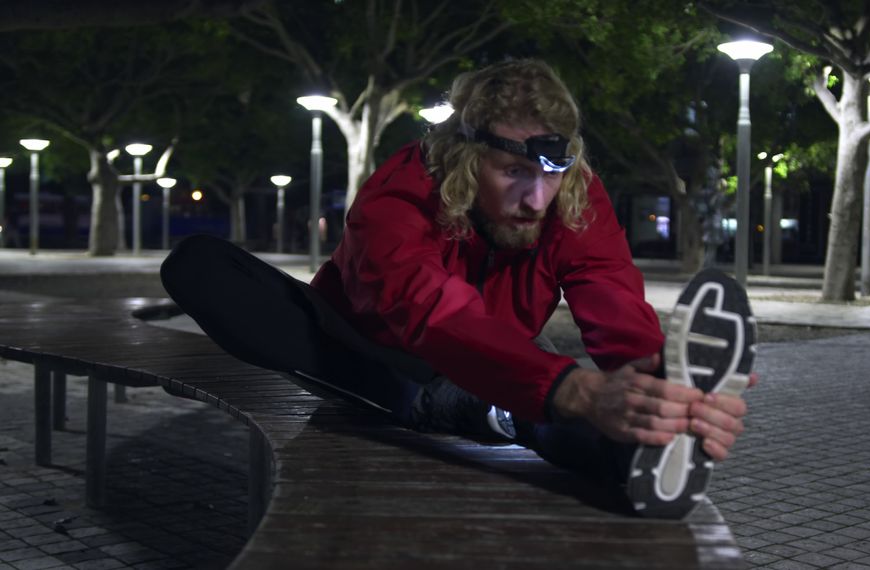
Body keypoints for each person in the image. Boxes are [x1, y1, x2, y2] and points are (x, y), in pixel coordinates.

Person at [161, 59, 755, 520]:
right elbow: (432, 316)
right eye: (514, 172)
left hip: (503, 368)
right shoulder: (397, 197)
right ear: (466, 160)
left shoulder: (572, 194)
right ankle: (527, 412)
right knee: (199, 265)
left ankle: (644, 450)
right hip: (365, 353)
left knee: (554, 409)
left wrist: (654, 378)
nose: (536, 200)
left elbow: (609, 291)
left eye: (551, 174)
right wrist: (571, 389)